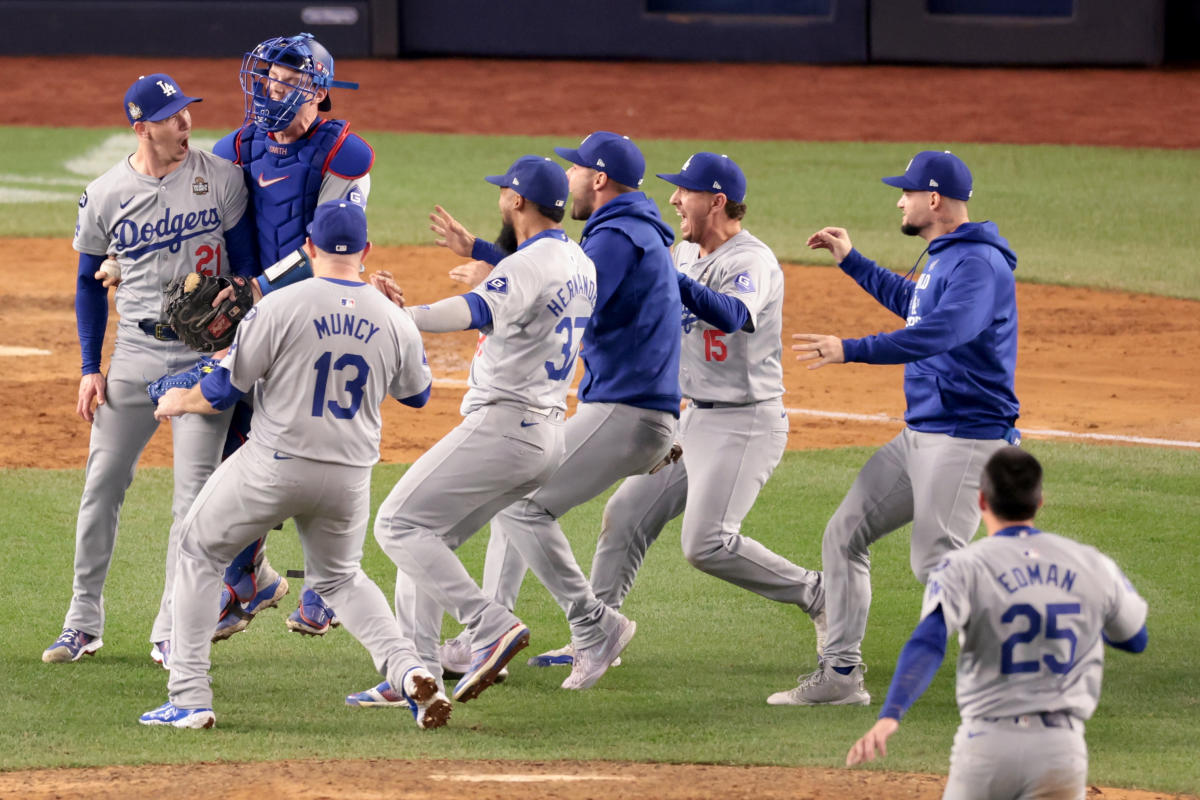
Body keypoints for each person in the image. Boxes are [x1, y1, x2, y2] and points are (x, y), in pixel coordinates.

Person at [138, 200, 446, 730]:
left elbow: (220, 390)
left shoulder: (279, 306)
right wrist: (397, 318)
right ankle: (408, 668)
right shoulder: (392, 318)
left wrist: (177, 401)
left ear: (309, 248)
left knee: (198, 548)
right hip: (349, 477)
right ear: (366, 252)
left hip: (273, 468)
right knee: (340, 578)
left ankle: (189, 697)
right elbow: (418, 397)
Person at [347, 155, 605, 708]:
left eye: (505, 192)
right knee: (425, 540)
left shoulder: (531, 261)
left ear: (517, 202)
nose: (500, 199)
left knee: (396, 523)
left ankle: (489, 625)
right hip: (545, 431)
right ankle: (414, 676)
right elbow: (509, 314)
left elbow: (473, 309)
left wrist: (398, 315)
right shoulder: (578, 260)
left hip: (505, 425)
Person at [428, 132, 682, 688]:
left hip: (628, 406)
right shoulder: (630, 231)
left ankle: (593, 627)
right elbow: (562, 279)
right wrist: (485, 254)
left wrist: (490, 276)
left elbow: (569, 293)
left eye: (575, 169)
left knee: (522, 507)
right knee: (512, 496)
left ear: (598, 178)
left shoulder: (616, 237)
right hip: (632, 405)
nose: (567, 179)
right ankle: (480, 641)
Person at [769, 150, 1021, 706]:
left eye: (907, 192)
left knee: (937, 561)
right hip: (921, 435)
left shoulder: (978, 264)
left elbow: (941, 332)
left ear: (934, 199)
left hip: (967, 435)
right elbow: (916, 306)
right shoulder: (944, 256)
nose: (899, 200)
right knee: (844, 534)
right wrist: (852, 260)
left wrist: (850, 349)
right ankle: (840, 675)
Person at [42, 73, 256, 666]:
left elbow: (243, 270)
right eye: (172, 118)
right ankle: (82, 621)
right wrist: (90, 366)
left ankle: (171, 627)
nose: (186, 125)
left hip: (201, 360)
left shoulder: (222, 178)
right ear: (143, 128)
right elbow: (88, 284)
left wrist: (228, 348)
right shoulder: (105, 193)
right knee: (101, 486)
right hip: (134, 357)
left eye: (188, 113)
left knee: (191, 502)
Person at [587, 152, 825, 652]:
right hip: (692, 419)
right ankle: (594, 634)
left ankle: (819, 593)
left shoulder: (750, 261)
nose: (673, 199)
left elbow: (733, 314)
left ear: (717, 201)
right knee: (625, 513)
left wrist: (666, 273)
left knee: (706, 544)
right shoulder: (683, 255)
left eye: (684, 192)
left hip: (745, 423)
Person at [846, 447, 1148, 799]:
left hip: (987, 748)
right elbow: (1134, 639)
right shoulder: (1091, 563)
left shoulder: (962, 566)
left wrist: (891, 714)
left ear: (982, 501)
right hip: (1060, 750)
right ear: (1040, 501)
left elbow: (928, 642)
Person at [209, 31, 374, 639]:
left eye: (288, 82)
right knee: (234, 437)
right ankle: (247, 576)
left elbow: (330, 242)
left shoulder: (343, 154)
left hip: (319, 310)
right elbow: (207, 215)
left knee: (314, 441)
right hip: (256, 313)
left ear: (319, 90)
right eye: (269, 79)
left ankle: (329, 586)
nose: (272, 90)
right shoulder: (239, 145)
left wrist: (258, 289)